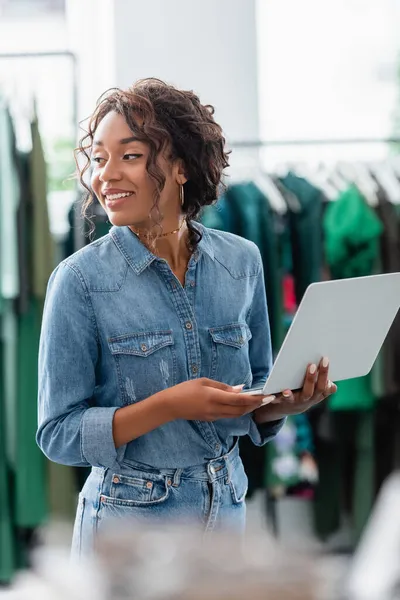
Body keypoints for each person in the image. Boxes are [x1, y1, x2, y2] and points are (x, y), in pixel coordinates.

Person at [36, 78, 336, 557]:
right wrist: (169, 405)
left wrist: (286, 402)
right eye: (98, 158)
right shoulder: (79, 280)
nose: (104, 176)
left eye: (129, 156)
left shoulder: (242, 260)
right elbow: (58, 434)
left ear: (179, 167)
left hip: (227, 511)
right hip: (128, 527)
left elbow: (255, 386)